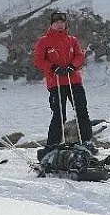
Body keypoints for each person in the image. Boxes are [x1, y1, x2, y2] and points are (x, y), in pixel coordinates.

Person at [33, 11, 97, 158]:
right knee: (59, 115)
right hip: (56, 82)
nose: (60, 24)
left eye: (62, 21)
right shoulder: (44, 41)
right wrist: (53, 67)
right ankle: (52, 145)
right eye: (56, 21)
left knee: (82, 111)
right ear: (52, 24)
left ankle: (86, 141)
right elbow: (38, 60)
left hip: (73, 80)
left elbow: (80, 56)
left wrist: (73, 66)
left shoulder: (72, 40)